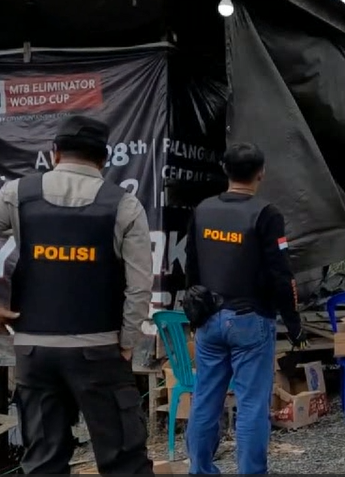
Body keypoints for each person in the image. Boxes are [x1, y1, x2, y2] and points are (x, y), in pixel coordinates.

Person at [0, 115, 154, 474]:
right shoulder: (124, 205)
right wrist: (128, 342)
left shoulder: (17, 195)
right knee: (124, 462)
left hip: (34, 350)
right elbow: (139, 285)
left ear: (54, 152)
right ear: (104, 158)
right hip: (99, 349)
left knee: (43, 463)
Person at [185, 143, 307, 474]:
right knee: (252, 404)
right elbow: (281, 274)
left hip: (209, 318)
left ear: (225, 170)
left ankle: (199, 469)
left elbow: (191, 266)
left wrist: (195, 314)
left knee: (205, 400)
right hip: (251, 321)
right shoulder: (266, 214)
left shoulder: (203, 210)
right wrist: (293, 322)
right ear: (261, 173)